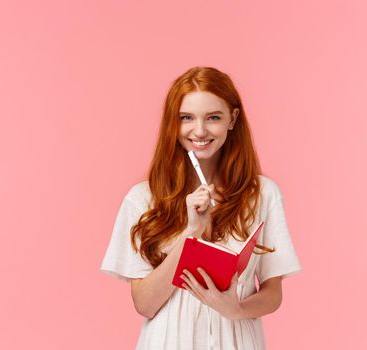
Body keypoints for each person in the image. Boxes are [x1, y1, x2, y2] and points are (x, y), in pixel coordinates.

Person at [100, 66, 302, 349]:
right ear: (173, 123)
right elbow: (144, 304)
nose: (199, 130)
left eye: (213, 117)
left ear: (232, 119)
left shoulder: (263, 194)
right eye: (186, 118)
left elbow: (273, 293)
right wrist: (190, 235)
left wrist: (236, 309)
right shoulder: (142, 199)